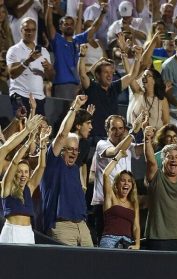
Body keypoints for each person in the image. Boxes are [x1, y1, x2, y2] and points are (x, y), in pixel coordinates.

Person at [41, 95, 94, 246]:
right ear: (61, 150)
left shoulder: (75, 168)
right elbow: (62, 134)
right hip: (61, 227)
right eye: (69, 149)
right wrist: (75, 107)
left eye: (76, 150)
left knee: (91, 267)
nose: (73, 153)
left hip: (82, 226)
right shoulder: (52, 162)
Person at [0, 116, 46, 244]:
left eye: (26, 172)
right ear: (14, 174)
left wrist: (42, 146)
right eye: (19, 172)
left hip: (28, 233)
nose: (23, 175)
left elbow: (41, 167)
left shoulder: (29, 188)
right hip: (12, 231)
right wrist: (27, 142)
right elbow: (14, 162)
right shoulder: (7, 186)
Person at [6, 17, 54, 116]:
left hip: (39, 98)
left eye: (33, 30)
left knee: (38, 130)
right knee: (22, 128)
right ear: (21, 30)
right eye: (27, 30)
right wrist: (27, 61)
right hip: (20, 95)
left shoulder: (43, 51)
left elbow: (51, 77)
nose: (30, 33)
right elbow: (12, 74)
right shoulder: (14, 50)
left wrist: (49, 69)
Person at [99, 148, 140, 249]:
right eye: (123, 180)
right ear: (117, 184)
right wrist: (118, 157)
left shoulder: (133, 203)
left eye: (129, 181)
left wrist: (137, 244)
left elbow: (136, 226)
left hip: (127, 242)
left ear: (132, 185)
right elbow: (105, 174)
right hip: (109, 241)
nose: (126, 183)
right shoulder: (111, 197)